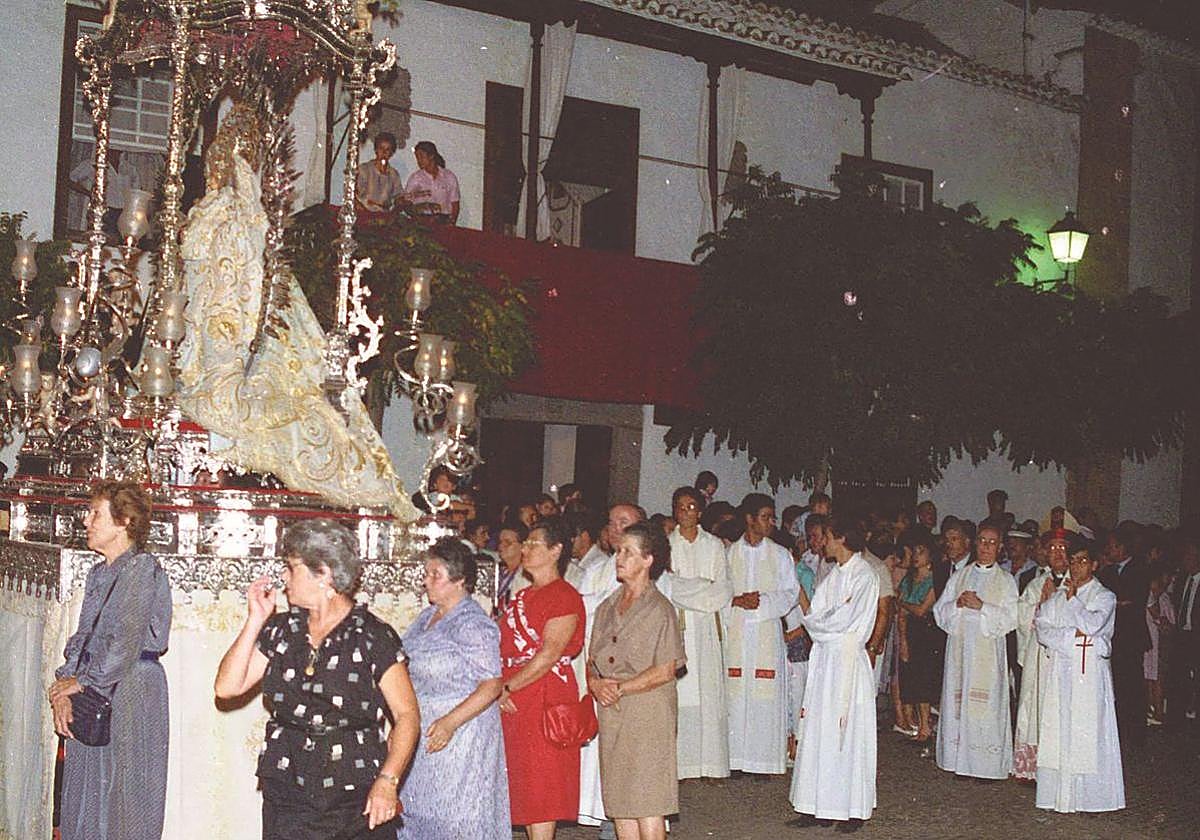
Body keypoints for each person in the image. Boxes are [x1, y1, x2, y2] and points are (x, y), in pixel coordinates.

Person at [214, 519, 420, 839]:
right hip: (288, 787)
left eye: (291, 567)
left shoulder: (372, 636)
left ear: (322, 573)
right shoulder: (284, 629)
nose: (284, 577)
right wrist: (256, 620)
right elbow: (226, 688)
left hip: (353, 791)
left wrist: (388, 781)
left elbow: (407, 715)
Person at [50, 481, 171, 840]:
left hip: (132, 690)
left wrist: (82, 682)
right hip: (96, 686)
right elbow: (83, 636)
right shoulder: (98, 573)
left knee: (126, 797)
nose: (86, 521)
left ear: (124, 522)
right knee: (88, 793)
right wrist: (63, 686)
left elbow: (125, 642)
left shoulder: (142, 569)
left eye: (96, 514)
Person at [397, 539, 509, 838]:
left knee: (457, 816)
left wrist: (450, 722)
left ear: (460, 580)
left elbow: (492, 684)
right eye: (427, 573)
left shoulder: (473, 623)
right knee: (418, 811)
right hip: (426, 731)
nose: (426, 581)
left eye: (436, 575)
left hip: (461, 736)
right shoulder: (426, 617)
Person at [589, 522, 687, 840]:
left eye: (628, 552)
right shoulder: (607, 607)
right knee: (621, 803)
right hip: (613, 712)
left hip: (647, 713)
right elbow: (592, 660)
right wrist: (594, 683)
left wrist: (620, 688)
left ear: (648, 560)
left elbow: (666, 668)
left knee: (647, 803)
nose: (619, 557)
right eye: (618, 551)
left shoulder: (660, 609)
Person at [788, 514, 879, 833]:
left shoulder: (864, 575)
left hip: (847, 663)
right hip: (825, 662)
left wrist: (818, 623)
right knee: (819, 731)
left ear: (841, 537)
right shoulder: (832, 575)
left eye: (826, 535)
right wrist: (819, 622)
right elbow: (817, 615)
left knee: (846, 734)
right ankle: (817, 805)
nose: (821, 541)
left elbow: (841, 621)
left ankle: (851, 808)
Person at [498, 517, 587, 840]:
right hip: (514, 698)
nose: (525, 548)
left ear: (556, 550)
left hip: (544, 694)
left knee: (542, 787)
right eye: (525, 543)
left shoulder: (564, 596)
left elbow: (549, 654)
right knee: (521, 784)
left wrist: (505, 687)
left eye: (534, 543)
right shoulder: (520, 597)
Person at [1033, 537, 1125, 813]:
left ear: (1094, 565)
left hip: (1090, 674)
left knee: (1089, 732)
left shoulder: (1105, 596)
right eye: (1072, 561)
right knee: (1060, 729)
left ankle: (1092, 799)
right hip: (1063, 670)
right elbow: (1041, 626)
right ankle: (1060, 795)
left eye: (1082, 561)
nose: (1075, 566)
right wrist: (1070, 639)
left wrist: (1073, 604)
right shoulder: (1060, 596)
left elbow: (1093, 624)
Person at [575, 503, 644, 832]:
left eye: (625, 522)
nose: (616, 528)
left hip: (633, 678)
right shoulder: (596, 570)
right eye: (612, 522)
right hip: (599, 673)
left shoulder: (652, 572)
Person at [658, 486, 732, 780]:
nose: (686, 512)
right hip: (680, 626)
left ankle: (711, 765)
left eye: (691, 507)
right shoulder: (666, 545)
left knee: (709, 693)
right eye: (680, 507)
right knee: (684, 693)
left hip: (707, 628)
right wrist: (701, 585)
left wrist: (691, 588)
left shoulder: (713, 545)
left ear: (699, 512)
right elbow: (669, 587)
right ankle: (683, 765)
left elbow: (723, 588)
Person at [933, 522, 1018, 780]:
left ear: (1000, 547)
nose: (986, 547)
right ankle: (960, 761)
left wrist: (983, 607)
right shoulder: (961, 576)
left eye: (992, 542)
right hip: (960, 652)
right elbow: (939, 611)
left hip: (988, 654)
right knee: (960, 703)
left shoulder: (1006, 580)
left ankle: (985, 766)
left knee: (986, 706)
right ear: (975, 543)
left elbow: (1012, 617)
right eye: (982, 541)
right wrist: (957, 605)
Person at [723, 493, 800, 776]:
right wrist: (737, 601)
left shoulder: (780, 554)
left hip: (766, 630)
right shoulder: (729, 554)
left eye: (772, 517)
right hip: (738, 630)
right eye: (766, 516)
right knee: (736, 693)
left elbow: (790, 592)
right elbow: (719, 590)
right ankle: (735, 760)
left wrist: (763, 602)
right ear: (750, 519)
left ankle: (763, 761)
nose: (771, 522)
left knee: (764, 694)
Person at [1013, 528, 1070, 781]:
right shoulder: (1036, 583)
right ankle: (1035, 768)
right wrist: (1040, 605)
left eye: (1063, 547)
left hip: (1066, 657)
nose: (1058, 553)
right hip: (1040, 656)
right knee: (1036, 704)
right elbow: (1021, 616)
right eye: (1053, 548)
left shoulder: (1080, 581)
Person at [1096, 525, 1151, 752]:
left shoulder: (1139, 569)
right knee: (1115, 687)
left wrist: (1115, 602)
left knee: (1133, 688)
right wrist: (1116, 602)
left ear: (1122, 547)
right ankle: (1116, 734)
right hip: (1113, 637)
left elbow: (1131, 600)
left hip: (1131, 637)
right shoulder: (1107, 572)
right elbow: (1107, 600)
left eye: (1112, 546)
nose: (1109, 550)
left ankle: (1137, 737)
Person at [896, 530, 939, 746]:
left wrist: (903, 604)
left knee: (925, 680)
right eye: (915, 552)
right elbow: (902, 612)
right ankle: (918, 724)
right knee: (911, 679)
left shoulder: (935, 580)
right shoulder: (909, 579)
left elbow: (922, 610)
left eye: (921, 552)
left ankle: (926, 725)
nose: (916, 556)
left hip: (926, 632)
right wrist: (903, 639)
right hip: (910, 630)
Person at [1144, 563, 1174, 726]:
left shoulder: (1164, 598)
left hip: (1160, 643)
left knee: (1157, 677)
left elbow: (1169, 622)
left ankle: (1157, 710)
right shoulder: (1149, 597)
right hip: (1150, 642)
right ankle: (1153, 710)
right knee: (1151, 677)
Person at [402, 140, 460, 223]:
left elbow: (455, 203)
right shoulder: (416, 178)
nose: (419, 161)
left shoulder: (448, 176)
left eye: (422, 157)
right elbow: (407, 203)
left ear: (431, 156)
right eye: (417, 157)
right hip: (421, 221)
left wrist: (452, 222)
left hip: (443, 220)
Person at [355, 132, 403, 216]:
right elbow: (355, 194)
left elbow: (398, 196)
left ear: (392, 153)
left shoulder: (394, 174)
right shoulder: (364, 169)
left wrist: (399, 203)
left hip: (384, 216)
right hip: (363, 214)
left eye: (388, 149)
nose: (384, 152)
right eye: (381, 148)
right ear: (376, 150)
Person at [495, 522, 530, 613]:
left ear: (522, 546)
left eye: (507, 543)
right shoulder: (497, 571)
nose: (501, 546)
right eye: (500, 542)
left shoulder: (526, 576)